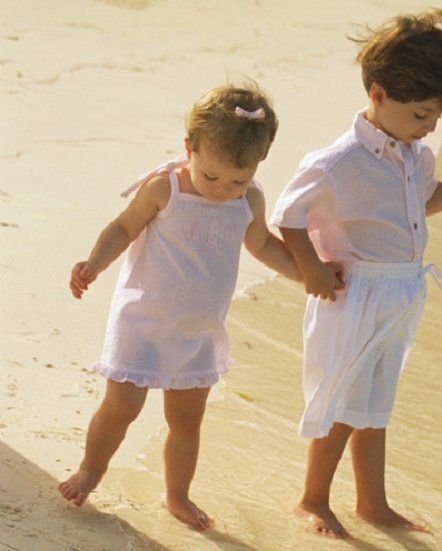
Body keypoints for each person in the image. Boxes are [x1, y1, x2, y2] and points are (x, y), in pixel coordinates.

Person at [58, 83, 341, 531]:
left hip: (199, 330)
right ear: (189, 148)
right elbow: (123, 227)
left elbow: (265, 245)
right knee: (123, 406)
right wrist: (94, 263)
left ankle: (177, 496)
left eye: (237, 179)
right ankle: (91, 470)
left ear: (257, 166)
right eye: (211, 177)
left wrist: (311, 274)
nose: (222, 189)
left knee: (187, 420)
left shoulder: (248, 200)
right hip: (143, 321)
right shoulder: (165, 189)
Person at [270, 9, 442, 539]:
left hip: (401, 291)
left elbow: (421, 204)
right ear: (378, 93)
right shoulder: (339, 161)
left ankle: (372, 503)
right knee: (342, 402)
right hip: (353, 295)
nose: (430, 126)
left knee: (375, 404)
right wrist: (313, 272)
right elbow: (288, 217)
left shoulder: (415, 155)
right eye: (421, 114)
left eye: (436, 116)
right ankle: (311, 499)